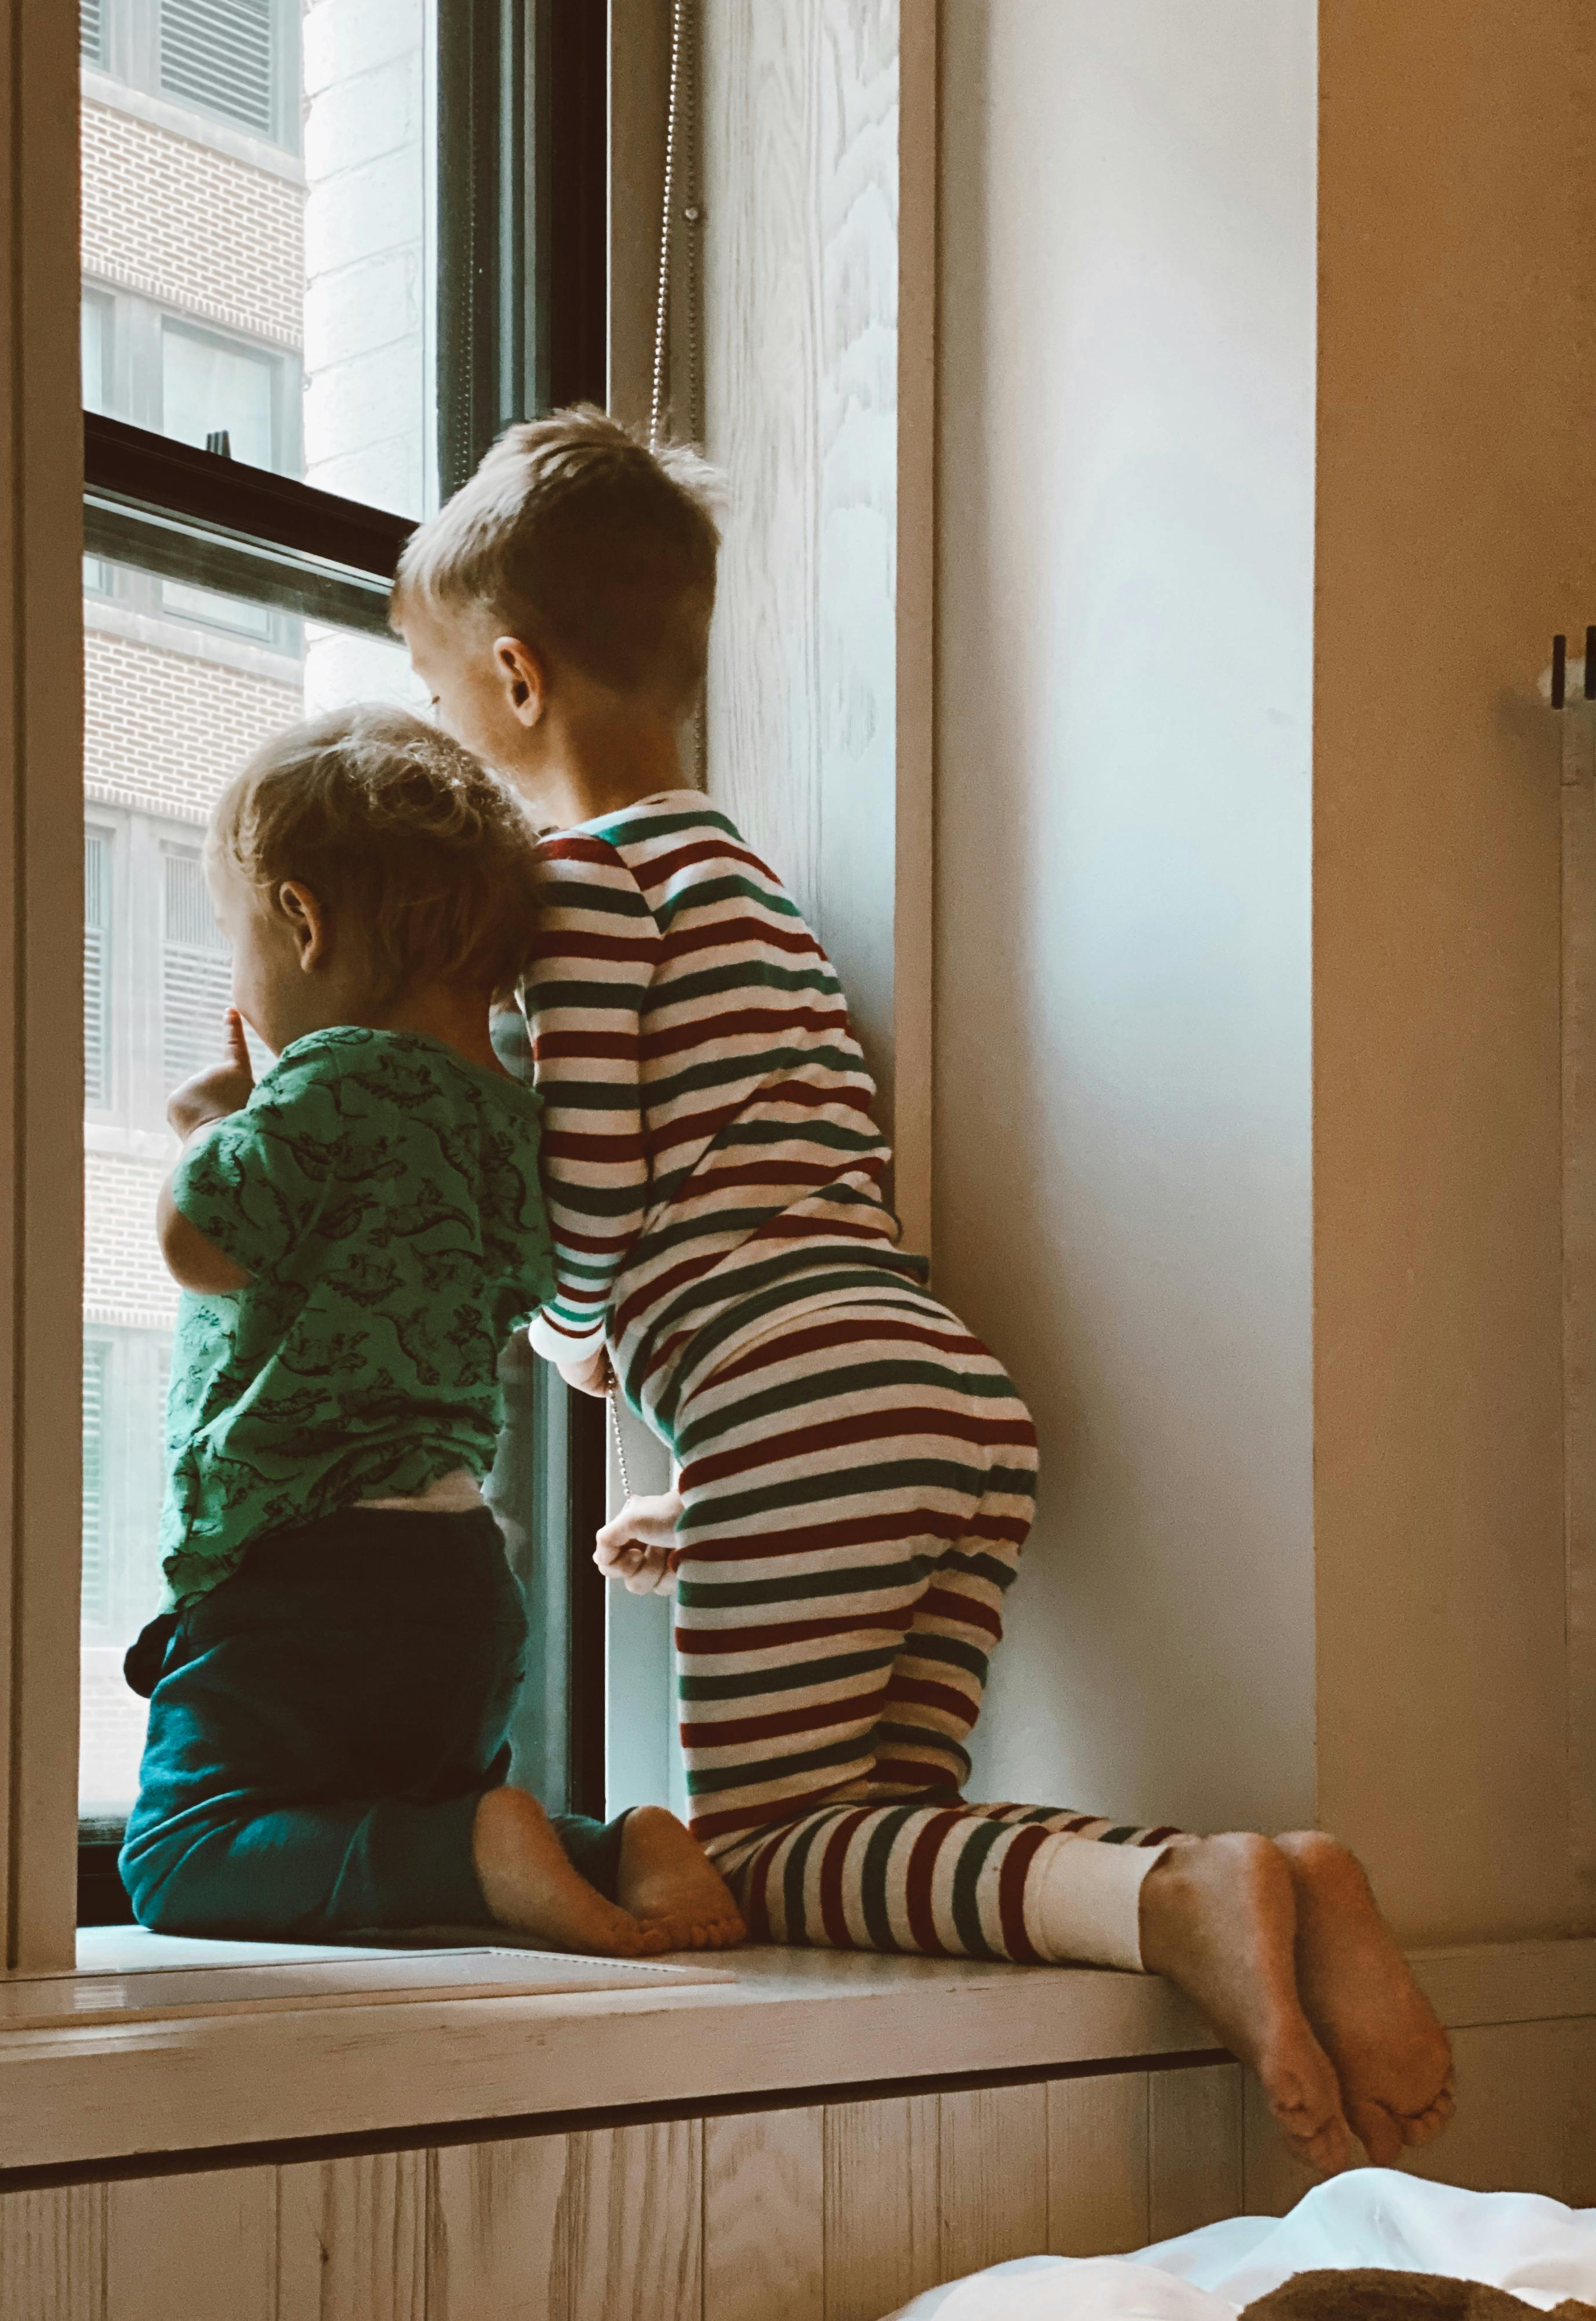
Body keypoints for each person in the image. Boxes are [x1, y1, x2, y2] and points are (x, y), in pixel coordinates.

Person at [391, 406, 1457, 2175]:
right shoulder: (746, 881)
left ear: (511, 676)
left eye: (440, 707)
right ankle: (1244, 1872)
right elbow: (776, 1199)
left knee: (763, 1845)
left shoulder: (575, 887)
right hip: (937, 1393)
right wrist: (714, 1472)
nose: (453, 742)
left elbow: (597, 1196)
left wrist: (563, 1334)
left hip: (799, 1406)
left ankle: (1187, 1891)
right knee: (885, 1830)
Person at [118, 703, 744, 1957]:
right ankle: (610, 1848)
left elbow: (202, 1243)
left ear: (301, 920)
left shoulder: (329, 1084)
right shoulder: (513, 1126)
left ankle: (477, 1847)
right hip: (463, 1580)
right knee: (397, 1805)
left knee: (182, 1853)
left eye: (237, 946)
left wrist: (205, 1125)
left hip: (305, 1568)